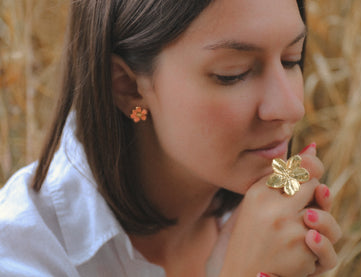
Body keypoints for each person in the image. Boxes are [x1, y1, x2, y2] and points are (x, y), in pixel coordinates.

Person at [0, 0, 342, 276]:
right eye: (233, 74)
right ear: (127, 85)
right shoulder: (22, 252)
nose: (291, 106)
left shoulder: (274, 226)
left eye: (291, 59)